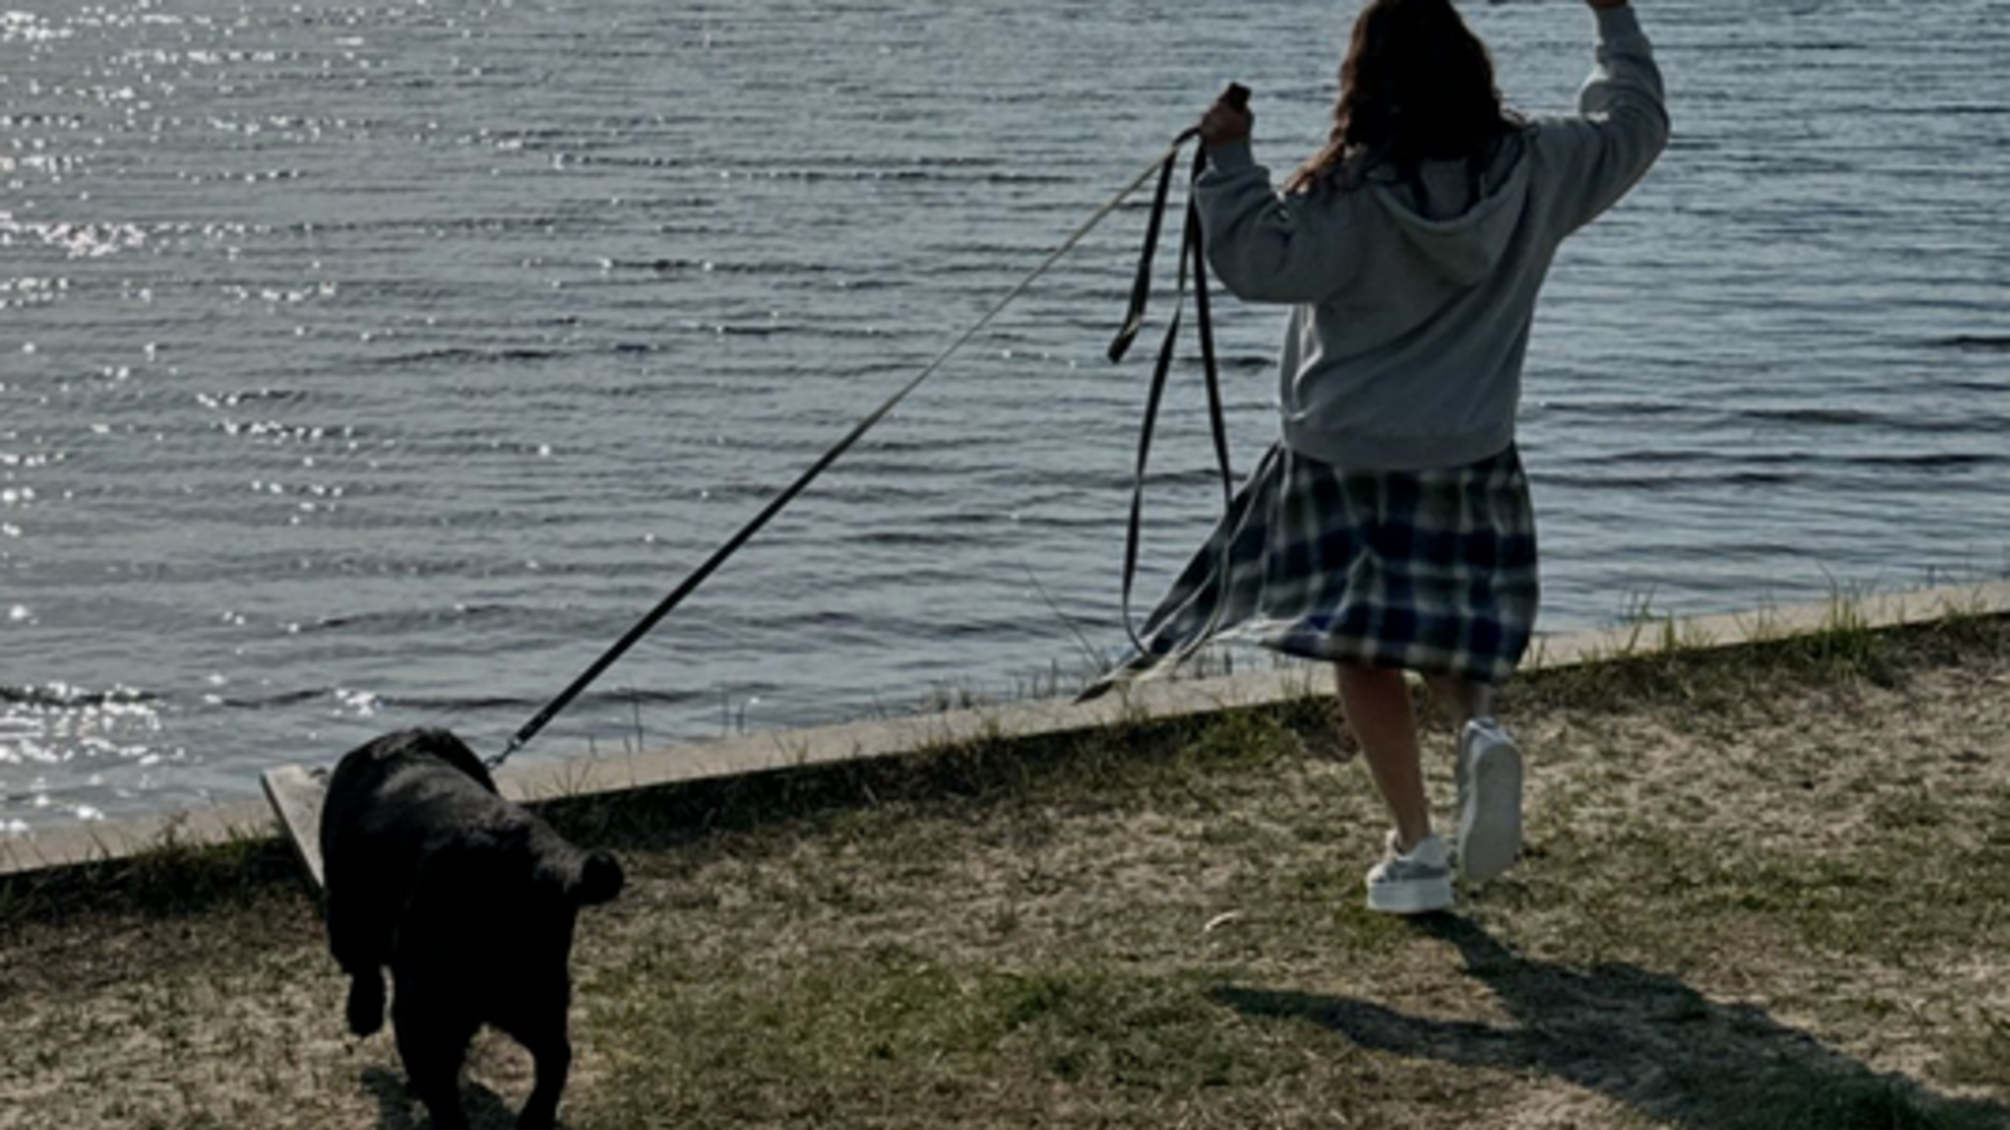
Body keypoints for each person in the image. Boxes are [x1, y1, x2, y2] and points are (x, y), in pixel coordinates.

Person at [1097, 0, 1667, 914]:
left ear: (1362, 83)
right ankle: (1478, 729)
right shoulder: (1540, 167)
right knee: (1444, 624)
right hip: (1471, 448)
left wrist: (1232, 159)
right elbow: (1636, 125)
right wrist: (1612, 16)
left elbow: (1254, 264)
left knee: (1362, 650)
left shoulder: (1346, 193)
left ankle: (1417, 850)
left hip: (1343, 456)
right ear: (1472, 70)